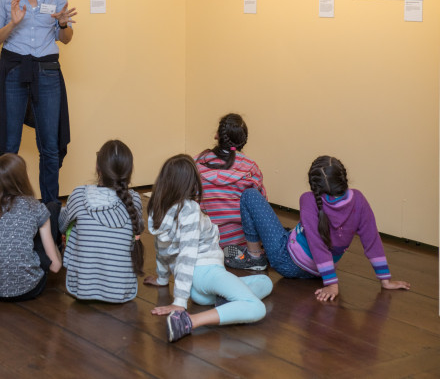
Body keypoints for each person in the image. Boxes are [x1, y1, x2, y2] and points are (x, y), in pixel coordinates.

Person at [225, 156, 411, 302]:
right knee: (290, 231)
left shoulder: (308, 199)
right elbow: (372, 240)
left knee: (250, 195)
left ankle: (254, 257)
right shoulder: (359, 200)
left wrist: (332, 285)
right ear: (344, 178)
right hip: (318, 271)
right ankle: (270, 248)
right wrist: (385, 280)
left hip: (287, 261)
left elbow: (316, 243)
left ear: (314, 185)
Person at [0, 0, 78, 238]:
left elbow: (66, 38)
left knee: (49, 146)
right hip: (14, 69)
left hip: (47, 70)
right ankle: (8, 208)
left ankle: (51, 210)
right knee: (9, 145)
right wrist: (13, 23)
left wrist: (63, 24)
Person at [144, 154, 273, 343]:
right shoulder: (189, 210)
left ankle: (224, 304)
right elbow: (188, 255)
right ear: (192, 182)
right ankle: (189, 321)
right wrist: (179, 304)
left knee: (264, 281)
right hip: (207, 273)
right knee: (256, 307)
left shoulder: (157, 208)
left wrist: (163, 279)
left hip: (198, 292)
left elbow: (162, 248)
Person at [58, 140, 144, 302]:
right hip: (121, 291)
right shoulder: (134, 199)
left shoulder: (79, 194)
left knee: (70, 222)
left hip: (81, 288)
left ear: (98, 167)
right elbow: (139, 228)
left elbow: (62, 226)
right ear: (129, 170)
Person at [0, 153, 62, 301]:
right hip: (28, 289)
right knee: (52, 208)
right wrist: (58, 250)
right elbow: (55, 266)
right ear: (22, 179)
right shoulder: (34, 206)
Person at [195, 113, 266, 249]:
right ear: (243, 140)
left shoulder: (196, 163)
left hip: (205, 241)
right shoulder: (251, 167)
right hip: (243, 243)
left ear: (217, 135)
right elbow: (261, 207)